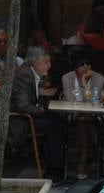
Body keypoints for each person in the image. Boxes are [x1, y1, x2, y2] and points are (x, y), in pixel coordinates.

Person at [9, 46, 67, 179]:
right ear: (34, 62)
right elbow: (22, 106)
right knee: (54, 126)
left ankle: (54, 164)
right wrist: (42, 110)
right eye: (46, 62)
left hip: (26, 116)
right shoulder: (24, 74)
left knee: (58, 120)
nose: (50, 65)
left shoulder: (31, 73)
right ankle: (55, 170)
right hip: (19, 120)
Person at [61, 50, 104, 180]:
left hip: (94, 115)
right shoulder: (67, 78)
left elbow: (93, 103)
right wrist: (82, 84)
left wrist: (83, 84)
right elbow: (71, 102)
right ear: (75, 67)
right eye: (82, 65)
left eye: (89, 64)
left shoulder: (99, 78)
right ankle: (99, 148)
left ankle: (82, 162)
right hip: (74, 114)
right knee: (82, 119)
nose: (87, 68)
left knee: (84, 120)